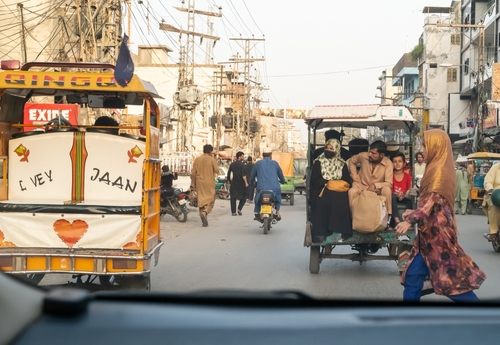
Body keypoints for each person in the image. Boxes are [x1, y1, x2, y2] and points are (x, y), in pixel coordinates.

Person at [395, 129, 486, 302]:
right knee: (413, 277)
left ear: (436, 146)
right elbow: (431, 205)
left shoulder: (439, 171)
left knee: (453, 284)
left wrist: (409, 220)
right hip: (427, 237)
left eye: (425, 145)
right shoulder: (435, 168)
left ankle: (484, 318)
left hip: (438, 239)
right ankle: (407, 321)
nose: (421, 150)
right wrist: (413, 212)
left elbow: (430, 201)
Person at [309, 138, 353, 242]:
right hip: (323, 189)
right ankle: (321, 234)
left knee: (342, 200)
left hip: (339, 191)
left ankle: (341, 231)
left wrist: (335, 184)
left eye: (331, 148)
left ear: (337, 150)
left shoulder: (341, 164)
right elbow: (315, 179)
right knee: (323, 201)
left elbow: (346, 180)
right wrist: (326, 183)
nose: (328, 150)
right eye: (327, 148)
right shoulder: (319, 162)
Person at [348, 140, 393, 219]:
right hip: (362, 186)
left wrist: (375, 185)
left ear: (381, 155)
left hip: (377, 190)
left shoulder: (388, 163)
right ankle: (352, 219)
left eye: (373, 153)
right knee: (352, 191)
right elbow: (352, 161)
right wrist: (355, 177)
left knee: (387, 190)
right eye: (370, 152)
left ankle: (387, 219)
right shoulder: (363, 156)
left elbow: (389, 183)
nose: (369, 154)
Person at [249, 152, 286, 220]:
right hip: (274, 189)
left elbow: (252, 175)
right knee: (278, 198)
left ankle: (257, 211)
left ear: (262, 156)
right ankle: (277, 212)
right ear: (271, 156)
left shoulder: (258, 163)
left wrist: (251, 182)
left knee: (258, 197)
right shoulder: (275, 163)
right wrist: (283, 181)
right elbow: (280, 174)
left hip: (261, 188)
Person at [191, 144, 219, 227]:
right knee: (211, 199)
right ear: (210, 151)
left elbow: (193, 173)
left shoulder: (197, 159)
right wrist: (215, 159)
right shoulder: (211, 160)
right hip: (209, 182)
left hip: (199, 182)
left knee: (201, 199)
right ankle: (205, 212)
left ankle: (203, 217)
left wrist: (193, 184)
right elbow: (217, 170)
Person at [390, 151, 412, 225]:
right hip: (393, 198)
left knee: (410, 199)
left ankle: (408, 220)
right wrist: (396, 194)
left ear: (404, 163)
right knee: (392, 196)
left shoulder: (408, 177)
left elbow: (409, 190)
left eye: (400, 161)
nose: (397, 164)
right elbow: (389, 190)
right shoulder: (390, 176)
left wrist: (403, 195)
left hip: (404, 197)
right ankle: (396, 220)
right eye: (394, 162)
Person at [482, 162, 500, 242]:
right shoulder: (496, 168)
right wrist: (490, 189)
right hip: (496, 195)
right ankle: (493, 232)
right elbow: (488, 181)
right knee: (494, 206)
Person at [227, 151, 248, 216]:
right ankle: (239, 208)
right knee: (244, 197)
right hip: (241, 183)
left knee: (233, 198)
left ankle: (233, 212)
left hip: (234, 182)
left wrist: (229, 181)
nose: (243, 157)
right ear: (240, 156)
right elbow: (243, 175)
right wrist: (246, 183)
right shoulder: (242, 165)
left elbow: (229, 173)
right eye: (242, 156)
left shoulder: (232, 164)